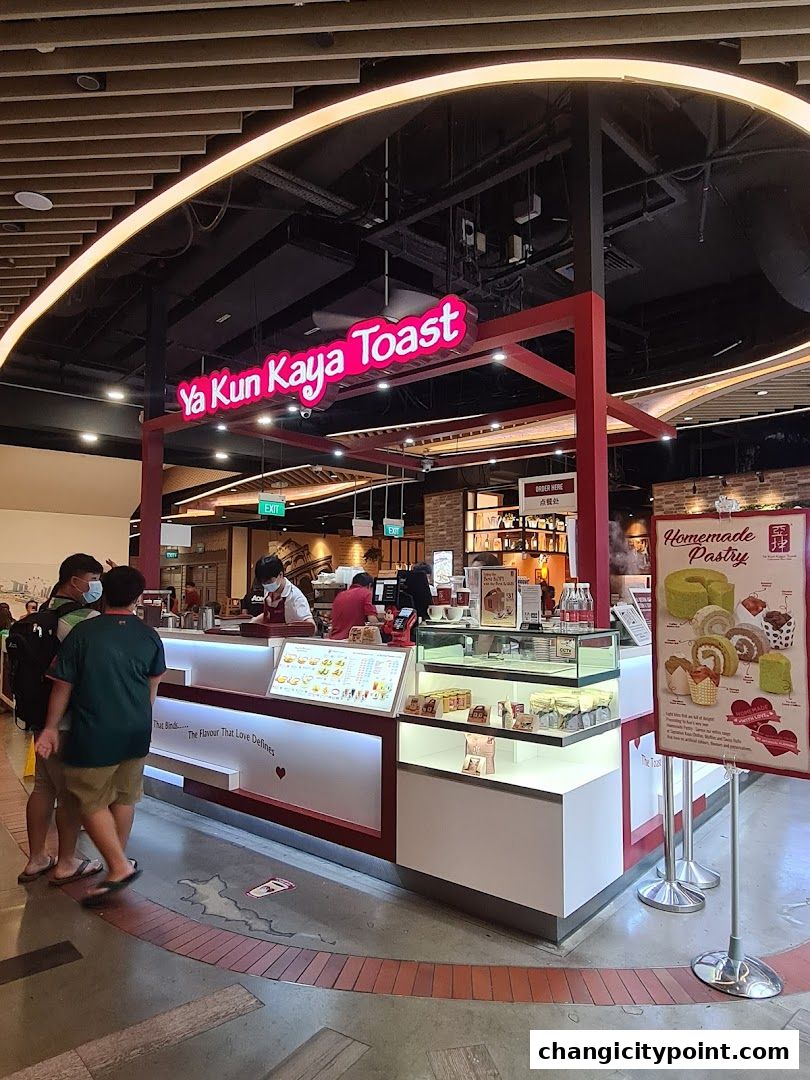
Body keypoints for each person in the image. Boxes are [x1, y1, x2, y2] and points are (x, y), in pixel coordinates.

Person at [36, 566, 166, 906]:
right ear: (139, 598)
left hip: (96, 730)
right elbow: (152, 687)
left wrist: (50, 727)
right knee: (124, 796)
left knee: (85, 796)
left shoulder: (85, 633)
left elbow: (62, 686)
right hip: (137, 729)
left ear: (102, 592)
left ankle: (118, 866)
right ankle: (115, 864)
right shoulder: (149, 634)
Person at [17, 553, 105, 885]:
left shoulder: (41, 613)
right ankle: (67, 861)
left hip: (39, 713)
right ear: (75, 581)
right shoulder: (81, 620)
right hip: (69, 718)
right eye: (93, 579)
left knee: (43, 786)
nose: (95, 586)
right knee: (68, 793)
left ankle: (37, 857)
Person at [250, 555, 314, 629]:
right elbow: (269, 615)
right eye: (263, 582)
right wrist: (253, 622)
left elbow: (312, 627)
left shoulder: (295, 597)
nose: (266, 585)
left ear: (280, 575)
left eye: (269, 581)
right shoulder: (268, 590)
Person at [329, 572, 380, 640]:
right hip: (352, 641)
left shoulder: (340, 595)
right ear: (370, 585)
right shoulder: (367, 593)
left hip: (334, 640)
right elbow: (372, 620)